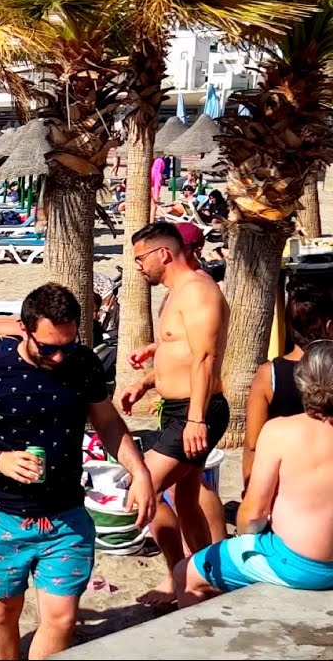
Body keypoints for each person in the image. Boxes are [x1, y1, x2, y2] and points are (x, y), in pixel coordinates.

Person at [0, 283, 154, 660]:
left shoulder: (83, 363)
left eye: (67, 345)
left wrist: (139, 471)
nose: (59, 357)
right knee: (3, 614)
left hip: (65, 516)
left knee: (61, 619)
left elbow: (107, 422)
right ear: (23, 330)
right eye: (47, 348)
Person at [120, 221, 231, 606]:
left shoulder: (198, 291)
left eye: (140, 259)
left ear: (163, 254)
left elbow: (205, 357)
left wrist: (196, 419)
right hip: (179, 409)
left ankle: (178, 575)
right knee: (184, 498)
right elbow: (180, 351)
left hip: (196, 411)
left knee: (142, 485)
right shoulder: (177, 292)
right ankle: (201, 579)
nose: (138, 267)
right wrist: (146, 382)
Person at [176, 341, 333, 606]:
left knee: (185, 574)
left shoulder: (280, 431)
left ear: (302, 382)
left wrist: (246, 538)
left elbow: (253, 513)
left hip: (296, 563)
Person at [243, 285, 333, 491]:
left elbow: (252, 445)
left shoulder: (269, 374)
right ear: (329, 327)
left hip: (284, 482)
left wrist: (249, 490)